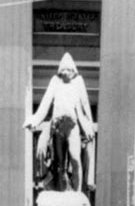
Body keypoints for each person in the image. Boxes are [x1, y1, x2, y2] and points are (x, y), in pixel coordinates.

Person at [23, 53, 94, 192]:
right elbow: (45, 103)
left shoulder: (78, 82)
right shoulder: (55, 82)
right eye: (64, 70)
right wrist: (35, 120)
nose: (66, 72)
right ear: (60, 71)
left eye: (69, 70)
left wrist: (89, 125)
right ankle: (61, 191)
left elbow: (85, 105)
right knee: (59, 163)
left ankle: (77, 192)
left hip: (72, 125)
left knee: (75, 157)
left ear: (73, 71)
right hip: (57, 126)